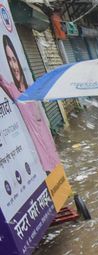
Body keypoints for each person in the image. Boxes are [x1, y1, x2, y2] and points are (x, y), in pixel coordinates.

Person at [1, 36, 59, 173]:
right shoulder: (15, 92)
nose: (14, 66)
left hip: (52, 154)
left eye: (14, 60)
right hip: (40, 160)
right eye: (9, 61)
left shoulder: (32, 91)